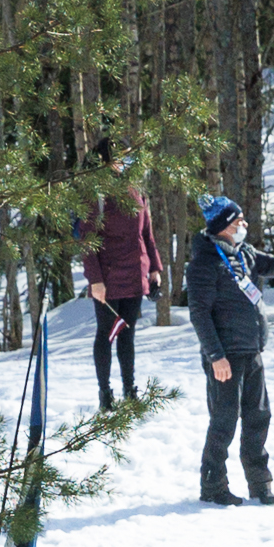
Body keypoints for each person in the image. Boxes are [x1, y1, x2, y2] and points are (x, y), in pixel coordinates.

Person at [184, 193, 274, 507]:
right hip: (224, 355)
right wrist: (216, 356)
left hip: (251, 349)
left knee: (259, 416)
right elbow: (199, 313)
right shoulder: (204, 261)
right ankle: (213, 485)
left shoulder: (246, 253)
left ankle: (260, 483)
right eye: (238, 221)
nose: (244, 225)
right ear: (225, 225)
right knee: (224, 420)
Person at [75, 154, 159, 410]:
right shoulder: (97, 195)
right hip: (108, 279)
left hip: (135, 273)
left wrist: (155, 268)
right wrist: (96, 280)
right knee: (106, 334)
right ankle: (105, 393)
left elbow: (147, 233)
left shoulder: (137, 189)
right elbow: (88, 243)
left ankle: (129, 390)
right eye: (120, 158)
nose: (126, 163)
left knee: (128, 334)